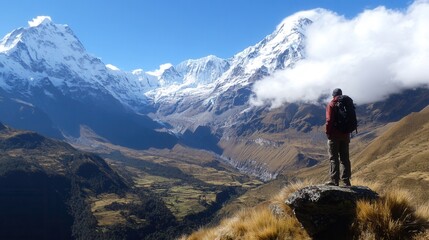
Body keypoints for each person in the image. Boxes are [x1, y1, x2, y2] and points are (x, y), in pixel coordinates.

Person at [325, 88, 351, 186]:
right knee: (345, 158)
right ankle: (346, 181)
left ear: (333, 95)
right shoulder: (347, 104)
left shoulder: (331, 104)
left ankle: (334, 181)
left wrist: (328, 132)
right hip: (345, 135)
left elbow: (329, 120)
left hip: (334, 136)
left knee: (333, 158)